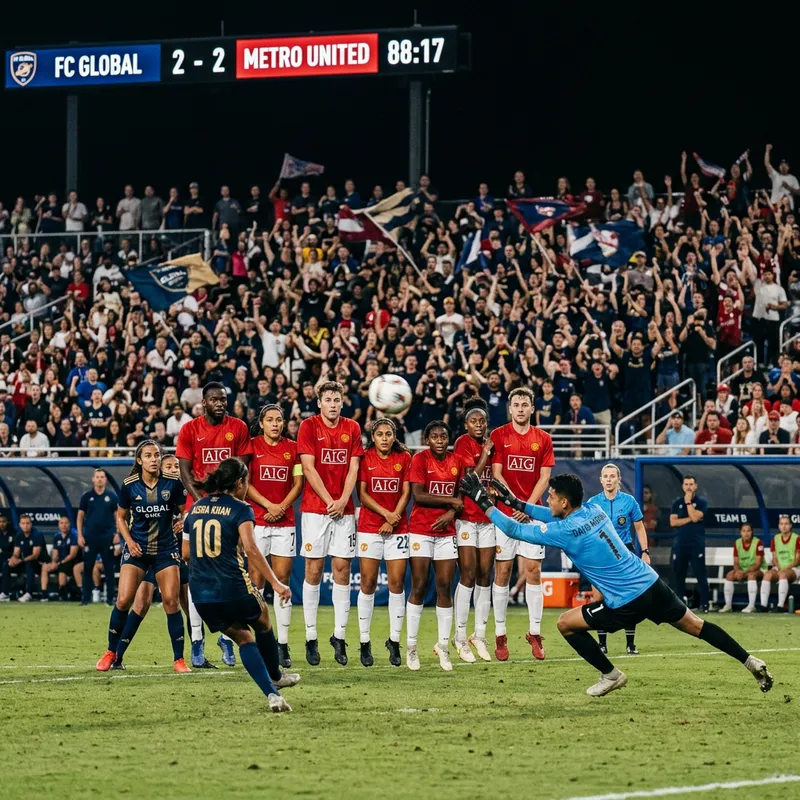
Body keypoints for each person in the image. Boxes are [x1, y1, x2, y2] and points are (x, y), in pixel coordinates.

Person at [462, 472, 773, 697]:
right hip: (651, 584)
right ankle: (750, 661)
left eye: (552, 495)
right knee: (697, 625)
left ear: (565, 501)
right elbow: (549, 515)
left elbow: (515, 530)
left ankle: (611, 675)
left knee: (565, 624)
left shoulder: (566, 530)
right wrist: (514, 500)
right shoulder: (594, 508)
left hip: (627, 600)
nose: (548, 499)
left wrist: (486, 505)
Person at [182, 457, 297, 712]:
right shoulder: (241, 508)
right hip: (233, 586)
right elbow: (251, 549)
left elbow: (186, 553)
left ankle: (273, 695)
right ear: (238, 483)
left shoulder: (195, 509)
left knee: (243, 637)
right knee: (263, 618)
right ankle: (276, 676)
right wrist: (277, 584)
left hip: (201, 594)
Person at [94, 440, 190, 673]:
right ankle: (110, 652)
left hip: (165, 550)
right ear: (139, 460)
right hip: (137, 550)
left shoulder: (173, 484)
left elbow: (185, 509)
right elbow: (121, 517)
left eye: (156, 455)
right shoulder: (129, 486)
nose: (154, 459)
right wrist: (129, 541)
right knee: (123, 600)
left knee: (170, 601)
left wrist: (182, 521)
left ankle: (179, 659)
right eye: (148, 455)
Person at [176, 381, 253, 668]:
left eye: (223, 399)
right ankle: (197, 641)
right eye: (214, 400)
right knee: (195, 573)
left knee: (230, 572)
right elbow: (185, 472)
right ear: (203, 402)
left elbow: (241, 471)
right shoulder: (189, 429)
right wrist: (202, 504)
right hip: (196, 509)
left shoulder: (240, 428)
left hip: (230, 510)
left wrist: (225, 504)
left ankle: (227, 638)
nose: (220, 403)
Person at [296, 381, 363, 666]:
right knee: (312, 569)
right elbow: (308, 468)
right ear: (319, 403)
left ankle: (339, 635)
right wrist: (329, 500)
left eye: (337, 399)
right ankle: (311, 637)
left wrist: (343, 499)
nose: (333, 404)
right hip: (315, 509)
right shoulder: (308, 427)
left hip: (344, 510)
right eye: (328, 400)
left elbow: (354, 468)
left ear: (342, 402)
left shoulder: (353, 428)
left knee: (342, 569)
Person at [489, 387, 555, 662]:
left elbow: (545, 477)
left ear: (531, 409)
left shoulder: (544, 438)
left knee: (533, 572)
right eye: (515, 404)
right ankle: (500, 635)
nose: (519, 408)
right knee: (502, 573)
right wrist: (515, 505)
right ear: (510, 408)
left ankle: (535, 633)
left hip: (532, 515)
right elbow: (496, 474)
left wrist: (526, 507)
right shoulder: (499, 435)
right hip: (506, 515)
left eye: (524, 404)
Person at [246, 404, 303, 668]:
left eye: (279, 420)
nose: (275, 424)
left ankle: (282, 643)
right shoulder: (252, 446)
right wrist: (269, 506)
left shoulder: (292, 448)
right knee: (255, 583)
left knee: (282, 581)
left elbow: (298, 484)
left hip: (285, 522)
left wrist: (280, 507)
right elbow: (244, 483)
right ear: (261, 423)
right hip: (258, 520)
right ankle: (260, 639)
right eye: (270, 420)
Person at [406, 421, 466, 671]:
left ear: (448, 440)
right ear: (427, 439)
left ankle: (443, 646)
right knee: (419, 585)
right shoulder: (419, 460)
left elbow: (462, 497)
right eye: (434, 436)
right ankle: (410, 646)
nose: (439, 440)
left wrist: (451, 514)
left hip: (447, 532)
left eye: (443, 436)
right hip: (421, 529)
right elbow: (418, 496)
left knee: (444, 586)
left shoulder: (457, 461)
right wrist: (450, 501)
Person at [355, 418, 411, 667]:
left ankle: (394, 640)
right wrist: (385, 514)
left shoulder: (405, 458)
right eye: (380, 434)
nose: (385, 438)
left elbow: (406, 492)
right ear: (373, 437)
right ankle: (364, 641)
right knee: (367, 583)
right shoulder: (365, 458)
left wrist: (394, 517)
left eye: (389, 434)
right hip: (370, 527)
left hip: (398, 528)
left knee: (396, 584)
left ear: (394, 435)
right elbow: (362, 494)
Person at [587, 464, 650, 655]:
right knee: (598, 598)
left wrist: (645, 551)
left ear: (618, 479)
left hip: (625, 554)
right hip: (600, 554)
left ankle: (630, 644)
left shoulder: (629, 501)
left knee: (629, 598)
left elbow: (639, 528)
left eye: (612, 476)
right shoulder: (593, 503)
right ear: (600, 480)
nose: (608, 479)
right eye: (605, 476)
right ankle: (602, 644)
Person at [451, 397, 496, 662]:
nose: (478, 425)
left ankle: (478, 635)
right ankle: (459, 637)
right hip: (467, 517)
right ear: (466, 424)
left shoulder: (490, 444)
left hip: (487, 517)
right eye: (473, 421)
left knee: (484, 576)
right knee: (467, 574)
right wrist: (486, 454)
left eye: (482, 421)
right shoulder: (463, 444)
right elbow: (470, 479)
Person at [77, 469, 119, 606]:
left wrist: (118, 533)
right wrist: (80, 535)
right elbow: (80, 517)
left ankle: (110, 599)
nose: (100, 479)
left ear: (105, 480)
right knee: (88, 567)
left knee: (109, 568)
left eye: (102, 477)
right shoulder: (86, 496)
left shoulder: (112, 497)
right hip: (90, 536)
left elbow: (118, 516)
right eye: (97, 477)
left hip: (107, 536)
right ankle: (85, 598)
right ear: (93, 479)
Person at [669, 476, 709, 613]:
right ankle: (679, 605)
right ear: (682, 486)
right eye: (686, 484)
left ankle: (704, 605)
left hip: (696, 545)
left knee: (700, 574)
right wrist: (690, 519)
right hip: (680, 544)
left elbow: (695, 516)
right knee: (679, 575)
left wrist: (688, 503)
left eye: (691, 484)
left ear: (696, 486)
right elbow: (673, 522)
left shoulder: (702, 502)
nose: (688, 487)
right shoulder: (676, 503)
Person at [760, 515, 800, 612]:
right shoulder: (775, 539)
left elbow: (798, 559)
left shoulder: (797, 538)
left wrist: (785, 569)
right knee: (767, 575)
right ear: (778, 526)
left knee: (782, 574)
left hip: (794, 569)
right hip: (779, 568)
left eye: (786, 524)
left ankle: (780, 606)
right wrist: (778, 567)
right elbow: (774, 558)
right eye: (781, 524)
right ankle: (763, 606)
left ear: (790, 526)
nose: (784, 526)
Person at [720, 523, 764, 613]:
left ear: (752, 532)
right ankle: (728, 605)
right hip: (742, 570)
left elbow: (758, 564)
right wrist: (738, 571)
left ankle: (751, 606)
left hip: (758, 570)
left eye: (748, 531)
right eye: (744, 531)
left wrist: (743, 573)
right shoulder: (737, 543)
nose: (746, 533)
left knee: (751, 576)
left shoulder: (758, 542)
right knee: (729, 575)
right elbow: (736, 562)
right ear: (740, 532)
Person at [40, 515, 80, 601]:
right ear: (58, 525)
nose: (64, 525)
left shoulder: (74, 535)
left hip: (72, 562)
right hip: (59, 562)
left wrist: (59, 563)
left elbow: (72, 554)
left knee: (62, 569)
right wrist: (54, 562)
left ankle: (63, 594)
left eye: (66, 523)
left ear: (69, 524)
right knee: (45, 567)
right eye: (61, 523)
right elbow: (55, 552)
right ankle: (44, 594)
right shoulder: (57, 536)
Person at [7, 514, 45, 602]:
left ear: (31, 524)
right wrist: (13, 559)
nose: (25, 525)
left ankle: (29, 593)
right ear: (20, 525)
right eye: (23, 523)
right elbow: (16, 552)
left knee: (30, 563)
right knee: (7, 564)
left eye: (27, 523)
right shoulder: (19, 535)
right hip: (24, 562)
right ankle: (5, 593)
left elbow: (35, 555)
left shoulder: (37, 534)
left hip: (39, 563)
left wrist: (21, 560)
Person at [0, 515, 15, 601]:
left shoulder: (14, 533)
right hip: (1, 557)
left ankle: (5, 593)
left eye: (3, 521)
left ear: (8, 522)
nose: (1, 524)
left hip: (12, 558)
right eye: (0, 522)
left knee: (5, 566)